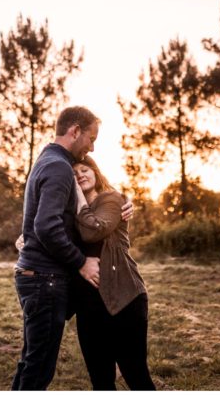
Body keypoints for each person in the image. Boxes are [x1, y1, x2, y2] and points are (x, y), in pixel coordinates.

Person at [11, 106, 132, 391]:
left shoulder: (47, 160)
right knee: (39, 369)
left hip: (37, 276)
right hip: (45, 278)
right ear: (74, 131)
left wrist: (119, 202)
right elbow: (46, 226)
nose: (92, 146)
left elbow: (49, 220)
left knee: (32, 362)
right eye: (91, 138)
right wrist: (81, 262)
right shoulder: (58, 166)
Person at [72, 155, 155, 390]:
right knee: (100, 380)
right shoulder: (72, 209)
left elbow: (93, 232)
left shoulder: (112, 199)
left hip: (124, 297)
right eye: (73, 172)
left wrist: (77, 195)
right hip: (89, 305)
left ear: (95, 172)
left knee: (136, 374)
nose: (79, 175)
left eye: (84, 169)